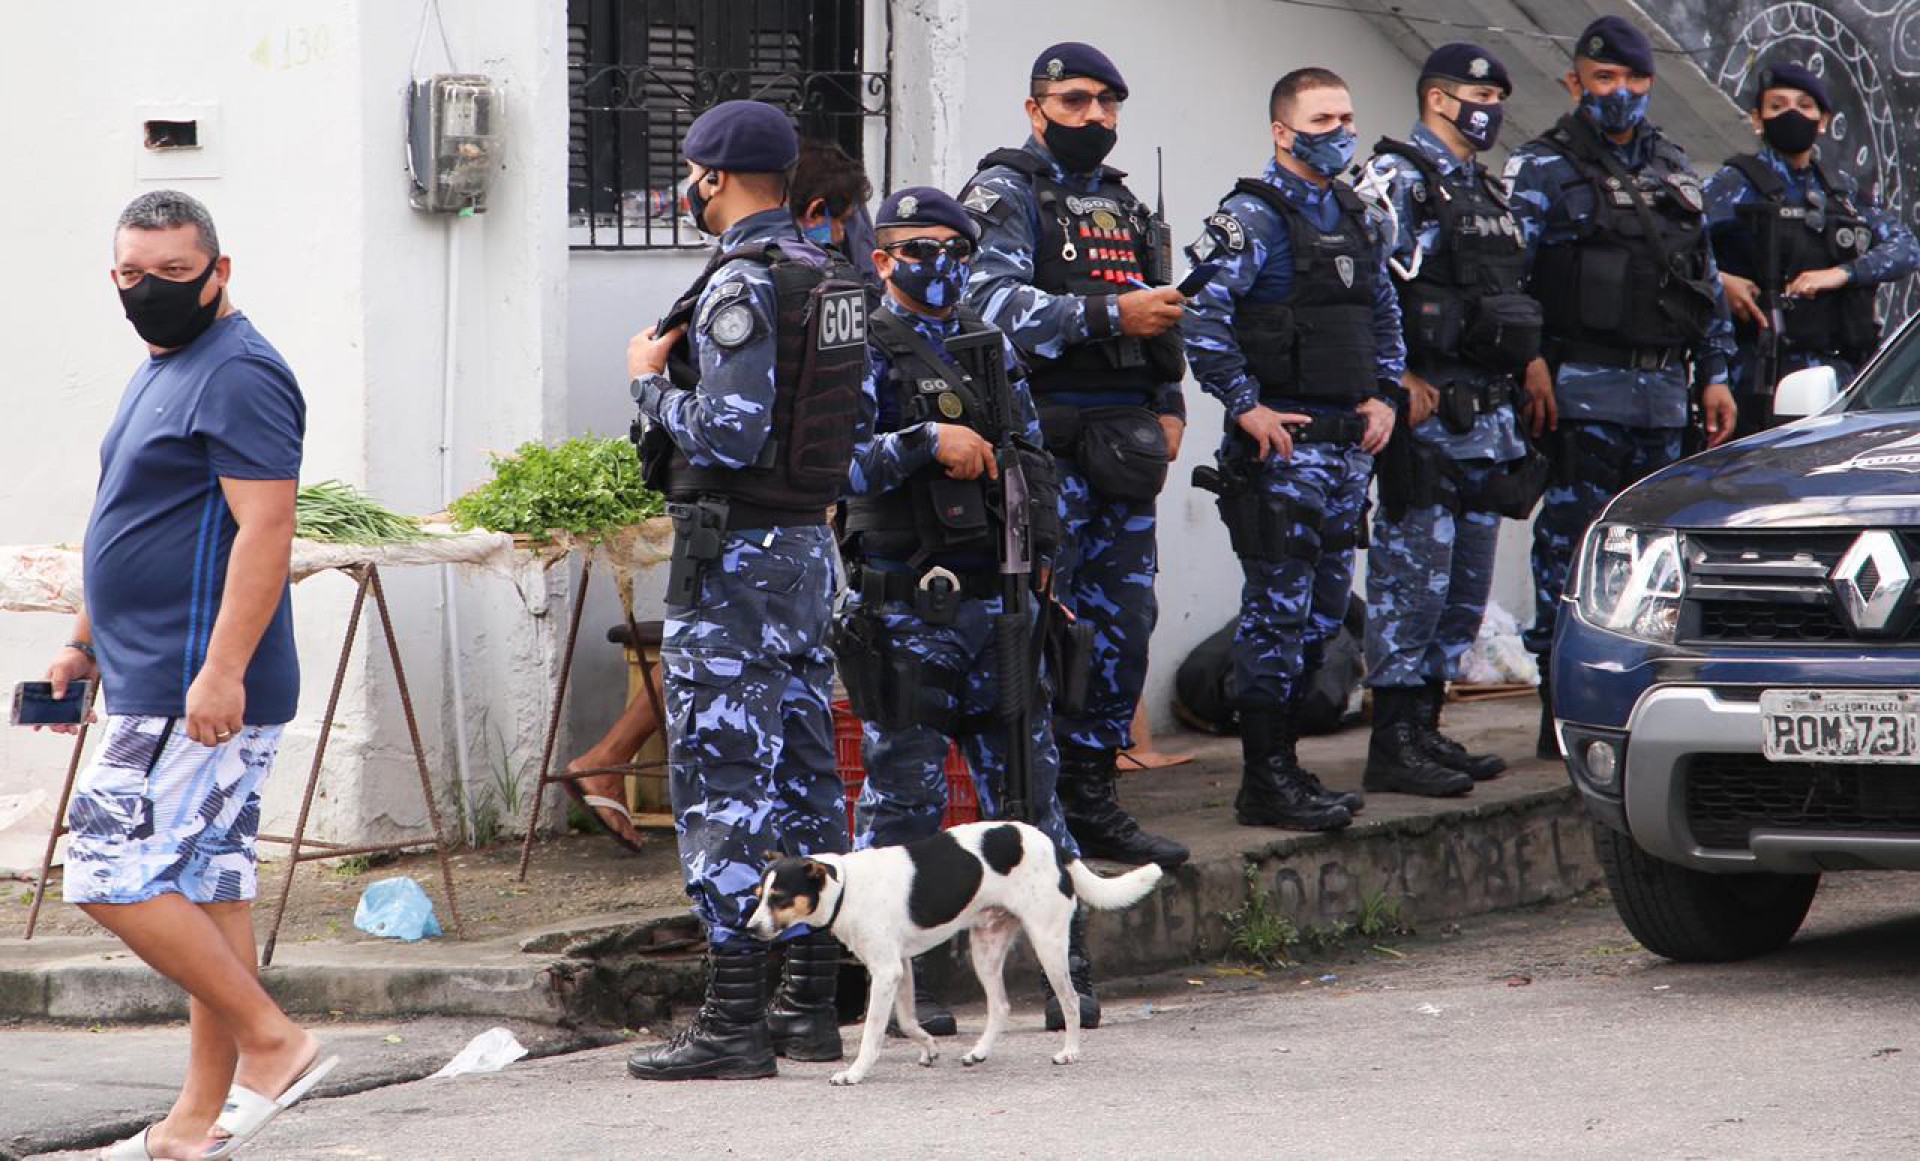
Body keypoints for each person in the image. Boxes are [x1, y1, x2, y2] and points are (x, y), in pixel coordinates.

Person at [59, 189, 332, 1159]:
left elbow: (268, 530)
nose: (152, 290)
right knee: (210, 889)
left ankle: (276, 1039)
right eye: (134, 275)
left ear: (220, 270)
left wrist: (221, 670)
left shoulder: (242, 371)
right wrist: (84, 639)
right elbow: (122, 510)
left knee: (102, 868)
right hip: (145, 671)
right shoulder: (164, 364)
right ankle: (193, 1124)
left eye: (175, 273)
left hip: (194, 685)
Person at [622, 100, 870, 1082]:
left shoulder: (745, 282)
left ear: (714, 179)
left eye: (690, 173)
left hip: (736, 564)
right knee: (810, 782)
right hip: (808, 555)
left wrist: (648, 382)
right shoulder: (830, 273)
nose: (687, 189)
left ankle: (734, 1023)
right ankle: (809, 1009)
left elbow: (725, 430)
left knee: (724, 788)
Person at [838, 185, 1078, 1038]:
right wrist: (926, 443)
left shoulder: (988, 345)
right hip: (907, 605)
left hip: (999, 601)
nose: (939, 266)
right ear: (883, 260)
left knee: (1028, 789)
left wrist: (1045, 557)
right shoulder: (862, 345)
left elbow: (1035, 457)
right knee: (907, 802)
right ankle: (908, 981)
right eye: (919, 250)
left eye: (953, 250)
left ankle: (1060, 976)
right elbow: (835, 465)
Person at [960, 41, 1190, 877]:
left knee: (1122, 628)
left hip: (1124, 448)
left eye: (1108, 103)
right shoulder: (1005, 192)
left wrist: (1169, 405)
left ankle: (1095, 800)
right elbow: (980, 299)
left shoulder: (1128, 208)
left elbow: (1164, 314)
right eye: (1077, 101)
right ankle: (1031, 815)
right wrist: (1104, 317)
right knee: (1035, 632)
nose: (1096, 116)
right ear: (1037, 109)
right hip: (1042, 447)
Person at [1504, 16, 1738, 756]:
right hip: (1580, 393)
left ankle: (1641, 711)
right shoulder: (1543, 166)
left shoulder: (1674, 167)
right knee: (1571, 555)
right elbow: (1508, 280)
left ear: (1649, 83)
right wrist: (1529, 360)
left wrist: (1718, 373)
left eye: (1632, 80)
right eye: (1604, 79)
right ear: (1576, 82)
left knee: (1660, 562)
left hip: (1663, 398)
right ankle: (1560, 713)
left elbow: (1703, 282)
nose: (1620, 93)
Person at [1183, 67, 1399, 831]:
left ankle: (1288, 766)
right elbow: (1198, 316)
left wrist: (1387, 394)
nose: (1339, 129)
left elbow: (1383, 312)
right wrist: (1246, 407)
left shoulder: (1359, 212)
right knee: (1275, 614)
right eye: (1321, 118)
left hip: (1345, 451)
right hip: (1284, 455)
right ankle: (1263, 777)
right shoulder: (1253, 217)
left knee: (1322, 617)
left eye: (1346, 114)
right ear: (1283, 132)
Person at [1352, 44, 1545, 796]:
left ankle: (1426, 729)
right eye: (1478, 92)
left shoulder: (1485, 192)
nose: (1491, 105)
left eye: (1499, 92)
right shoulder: (1394, 181)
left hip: (1484, 421)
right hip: (1425, 421)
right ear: (1438, 98)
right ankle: (1392, 741)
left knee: (1463, 590)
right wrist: (1393, 376)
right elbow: (1357, 285)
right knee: (1412, 585)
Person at [1704, 61, 1919, 435]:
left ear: (1822, 121)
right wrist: (1722, 281)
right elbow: (1678, 248)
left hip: (1840, 375)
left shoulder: (1843, 191)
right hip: (1761, 372)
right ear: (1758, 119)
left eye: (1805, 106)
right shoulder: (1735, 183)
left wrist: (1843, 274)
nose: (1792, 114)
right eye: (1778, 105)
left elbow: (1906, 248)